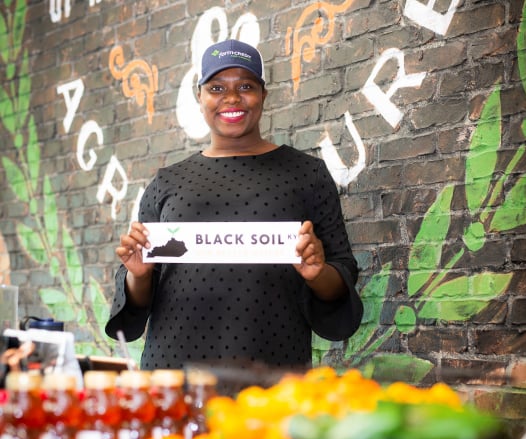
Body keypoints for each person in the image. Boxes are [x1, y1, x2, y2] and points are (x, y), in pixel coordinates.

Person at [105, 39, 362, 370]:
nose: (231, 98)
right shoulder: (166, 182)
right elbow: (139, 301)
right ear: (200, 97)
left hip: (273, 365)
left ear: (263, 95)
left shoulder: (306, 174)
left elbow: (341, 276)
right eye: (216, 87)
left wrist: (317, 273)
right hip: (173, 368)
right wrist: (138, 276)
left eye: (245, 85)